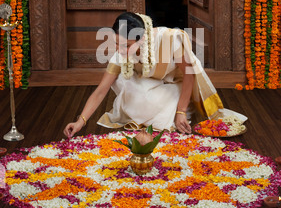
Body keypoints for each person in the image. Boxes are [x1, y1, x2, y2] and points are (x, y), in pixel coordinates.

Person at [63, 12, 247, 138]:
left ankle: (179, 106)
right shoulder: (121, 52)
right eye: (117, 44)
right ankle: (152, 106)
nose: (120, 50)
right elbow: (101, 90)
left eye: (126, 45)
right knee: (126, 84)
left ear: (142, 39)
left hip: (179, 82)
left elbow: (189, 74)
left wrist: (181, 111)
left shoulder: (169, 39)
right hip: (148, 82)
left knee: (162, 116)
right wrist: (80, 121)